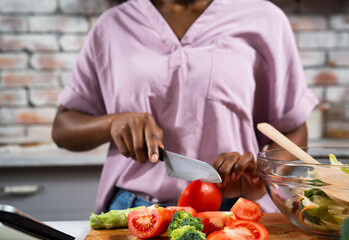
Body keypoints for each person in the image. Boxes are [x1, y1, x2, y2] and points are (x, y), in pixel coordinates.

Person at [51, 0, 319, 214]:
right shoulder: (112, 25)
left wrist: (262, 175)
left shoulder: (265, 18)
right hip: (134, 210)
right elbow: (63, 126)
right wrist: (112, 124)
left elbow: (292, 131)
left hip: (236, 212)